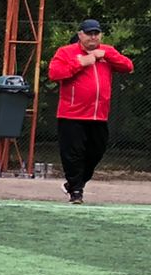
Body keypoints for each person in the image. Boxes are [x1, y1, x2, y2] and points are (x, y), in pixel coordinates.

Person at [49, 20, 134, 203]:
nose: (93, 37)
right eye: (89, 33)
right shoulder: (66, 52)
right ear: (80, 35)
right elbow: (54, 73)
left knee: (96, 152)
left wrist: (107, 56)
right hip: (71, 114)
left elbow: (128, 66)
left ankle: (74, 184)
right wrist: (80, 63)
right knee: (73, 154)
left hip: (98, 115)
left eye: (96, 33)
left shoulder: (107, 51)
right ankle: (76, 191)